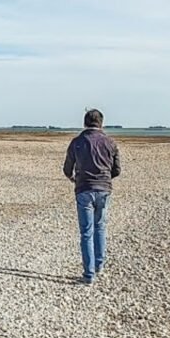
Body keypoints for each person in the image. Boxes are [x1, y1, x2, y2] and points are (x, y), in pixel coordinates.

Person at [63, 109, 121, 284]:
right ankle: (99, 265)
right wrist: (104, 178)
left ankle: (89, 275)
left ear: (85, 123)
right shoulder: (110, 142)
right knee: (100, 227)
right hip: (103, 189)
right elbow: (117, 170)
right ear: (101, 123)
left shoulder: (77, 142)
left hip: (84, 189)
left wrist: (74, 178)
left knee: (86, 232)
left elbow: (67, 169)